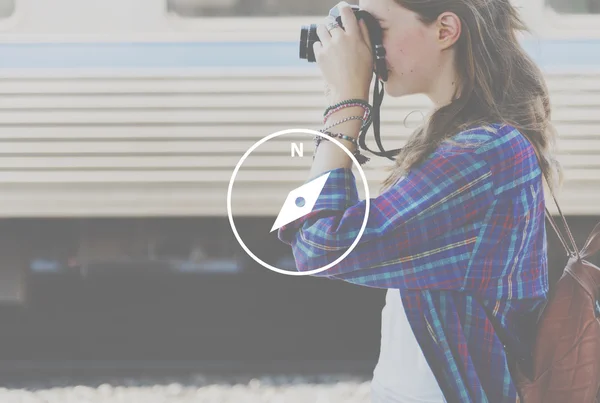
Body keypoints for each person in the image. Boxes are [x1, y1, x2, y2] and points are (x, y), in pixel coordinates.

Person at [277, 0, 562, 402]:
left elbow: (319, 246)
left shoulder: (479, 154)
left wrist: (344, 104)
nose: (368, 46)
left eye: (379, 29)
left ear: (446, 30)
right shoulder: (471, 141)